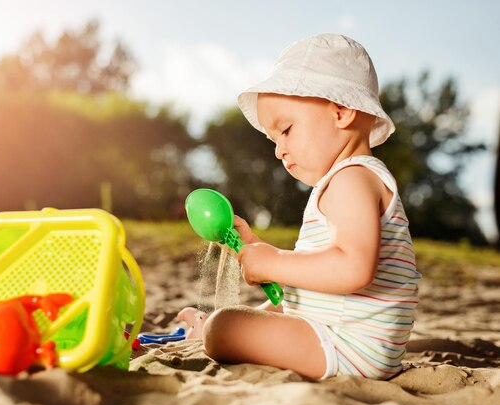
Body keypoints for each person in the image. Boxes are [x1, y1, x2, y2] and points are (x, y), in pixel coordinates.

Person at [178, 33, 421, 380]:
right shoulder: (348, 180)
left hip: (347, 346)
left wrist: (274, 262)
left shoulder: (351, 179)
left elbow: (353, 269)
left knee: (225, 325)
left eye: (286, 130)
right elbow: (317, 273)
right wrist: (258, 251)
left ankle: (210, 332)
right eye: (273, 140)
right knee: (266, 310)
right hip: (341, 334)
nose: (278, 150)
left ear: (341, 111)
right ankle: (211, 332)